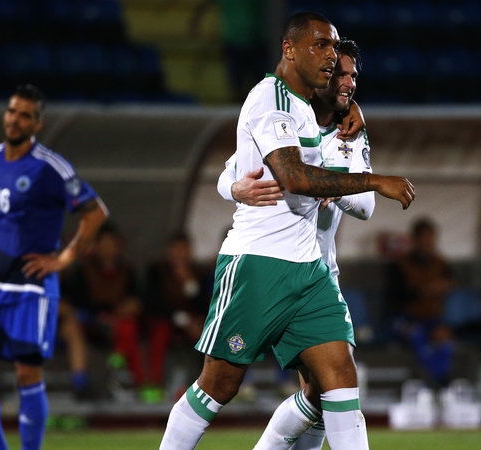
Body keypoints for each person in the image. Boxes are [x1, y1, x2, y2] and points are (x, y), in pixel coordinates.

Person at [159, 12, 415, 450]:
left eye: (335, 50)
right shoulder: (270, 99)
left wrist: (348, 120)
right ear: (289, 48)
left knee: (338, 379)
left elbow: (297, 172)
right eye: (322, 46)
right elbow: (294, 178)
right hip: (259, 263)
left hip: (311, 271)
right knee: (219, 385)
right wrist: (373, 179)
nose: (332, 59)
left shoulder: (312, 110)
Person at [217, 37, 374, 450]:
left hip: (320, 273)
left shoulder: (350, 132)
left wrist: (337, 188)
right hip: (270, 267)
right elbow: (231, 171)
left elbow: (368, 205)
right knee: (223, 384)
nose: (346, 82)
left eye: (352, 75)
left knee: (327, 392)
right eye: (338, 72)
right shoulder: (285, 112)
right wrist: (236, 188)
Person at [0, 84, 107, 450]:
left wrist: (64, 259)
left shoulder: (49, 167)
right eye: (11, 111)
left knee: (27, 373)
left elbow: (95, 212)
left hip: (30, 288)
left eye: (24, 115)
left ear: (37, 123)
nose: (14, 119)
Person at [60, 222, 146, 392]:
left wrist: (116, 315)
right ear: (96, 245)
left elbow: (136, 301)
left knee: (128, 326)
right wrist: (93, 316)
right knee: (72, 326)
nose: (108, 247)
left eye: (111, 243)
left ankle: (130, 373)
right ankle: (82, 382)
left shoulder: (127, 271)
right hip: (89, 323)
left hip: (117, 322)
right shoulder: (82, 271)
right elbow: (71, 303)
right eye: (103, 243)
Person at [384, 218, 456, 388]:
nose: (427, 242)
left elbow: (451, 282)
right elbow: (396, 296)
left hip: (431, 317)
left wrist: (443, 287)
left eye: (430, 238)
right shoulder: (399, 265)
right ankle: (439, 381)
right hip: (402, 317)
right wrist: (425, 291)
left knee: (444, 336)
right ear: (414, 239)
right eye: (423, 238)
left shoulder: (441, 263)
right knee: (416, 334)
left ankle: (438, 378)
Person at [143, 232, 212, 399]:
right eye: (176, 249)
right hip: (165, 321)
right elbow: (153, 303)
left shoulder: (198, 272)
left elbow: (205, 305)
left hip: (193, 323)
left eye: (184, 249)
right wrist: (182, 319)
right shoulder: (156, 271)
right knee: (161, 330)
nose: (180, 254)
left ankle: (207, 384)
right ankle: (155, 382)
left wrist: (189, 285)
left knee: (209, 331)